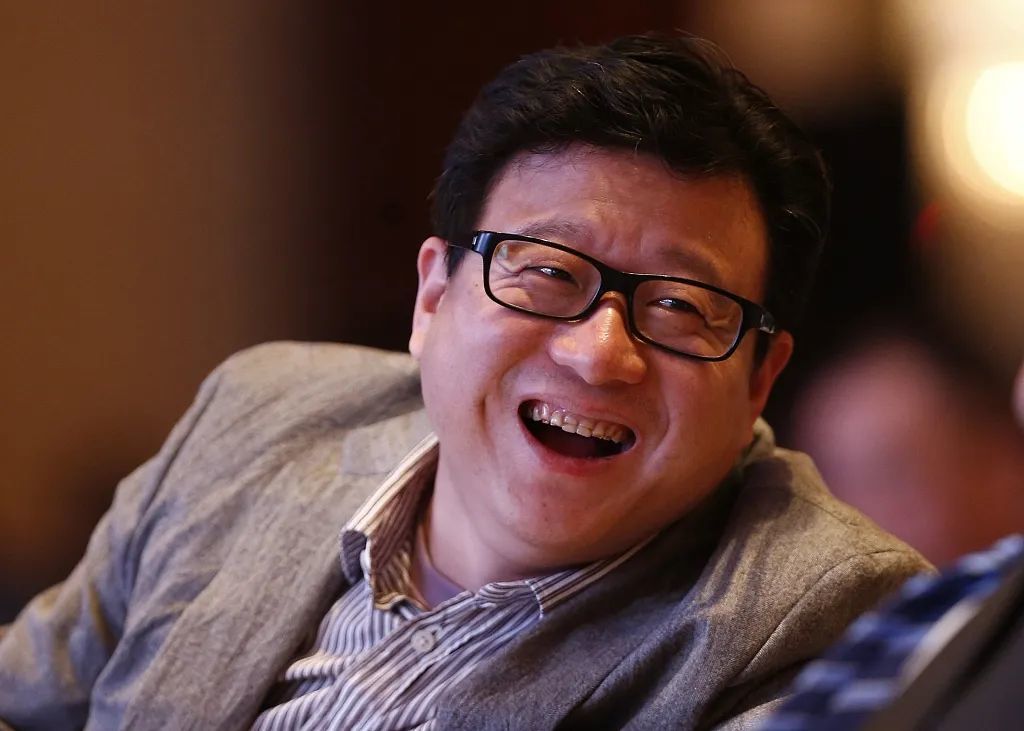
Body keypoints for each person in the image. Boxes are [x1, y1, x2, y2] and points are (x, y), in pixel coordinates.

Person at [0, 34, 928, 730]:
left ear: (761, 377)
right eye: (549, 272)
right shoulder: (263, 412)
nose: (600, 353)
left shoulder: (827, 619)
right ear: (434, 296)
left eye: (683, 306)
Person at [761, 359, 1024, 729]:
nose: (849, 511)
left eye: (888, 476)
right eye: (828, 484)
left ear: (1000, 464)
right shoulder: (878, 640)